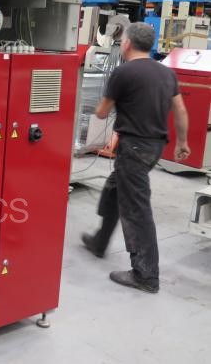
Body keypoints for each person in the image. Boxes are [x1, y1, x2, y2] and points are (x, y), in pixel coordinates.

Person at [82, 22, 190, 293]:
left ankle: (146, 275)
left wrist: (102, 106)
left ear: (127, 43)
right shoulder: (166, 73)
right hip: (154, 147)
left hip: (134, 149)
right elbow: (180, 110)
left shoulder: (124, 72)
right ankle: (99, 242)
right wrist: (182, 142)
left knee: (136, 210)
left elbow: (102, 112)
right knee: (114, 189)